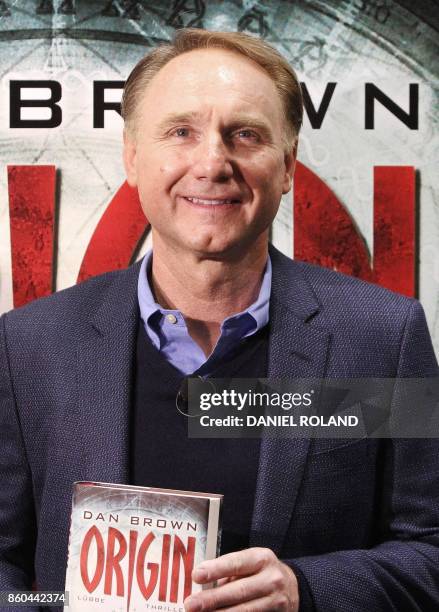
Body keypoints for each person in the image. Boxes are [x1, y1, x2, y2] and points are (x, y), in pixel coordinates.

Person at [0, 28, 438, 612]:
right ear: (132, 157)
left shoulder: (383, 337)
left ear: (286, 167)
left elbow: (430, 548)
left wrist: (304, 591)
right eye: (181, 132)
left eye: (246, 135)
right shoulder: (31, 344)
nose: (213, 162)